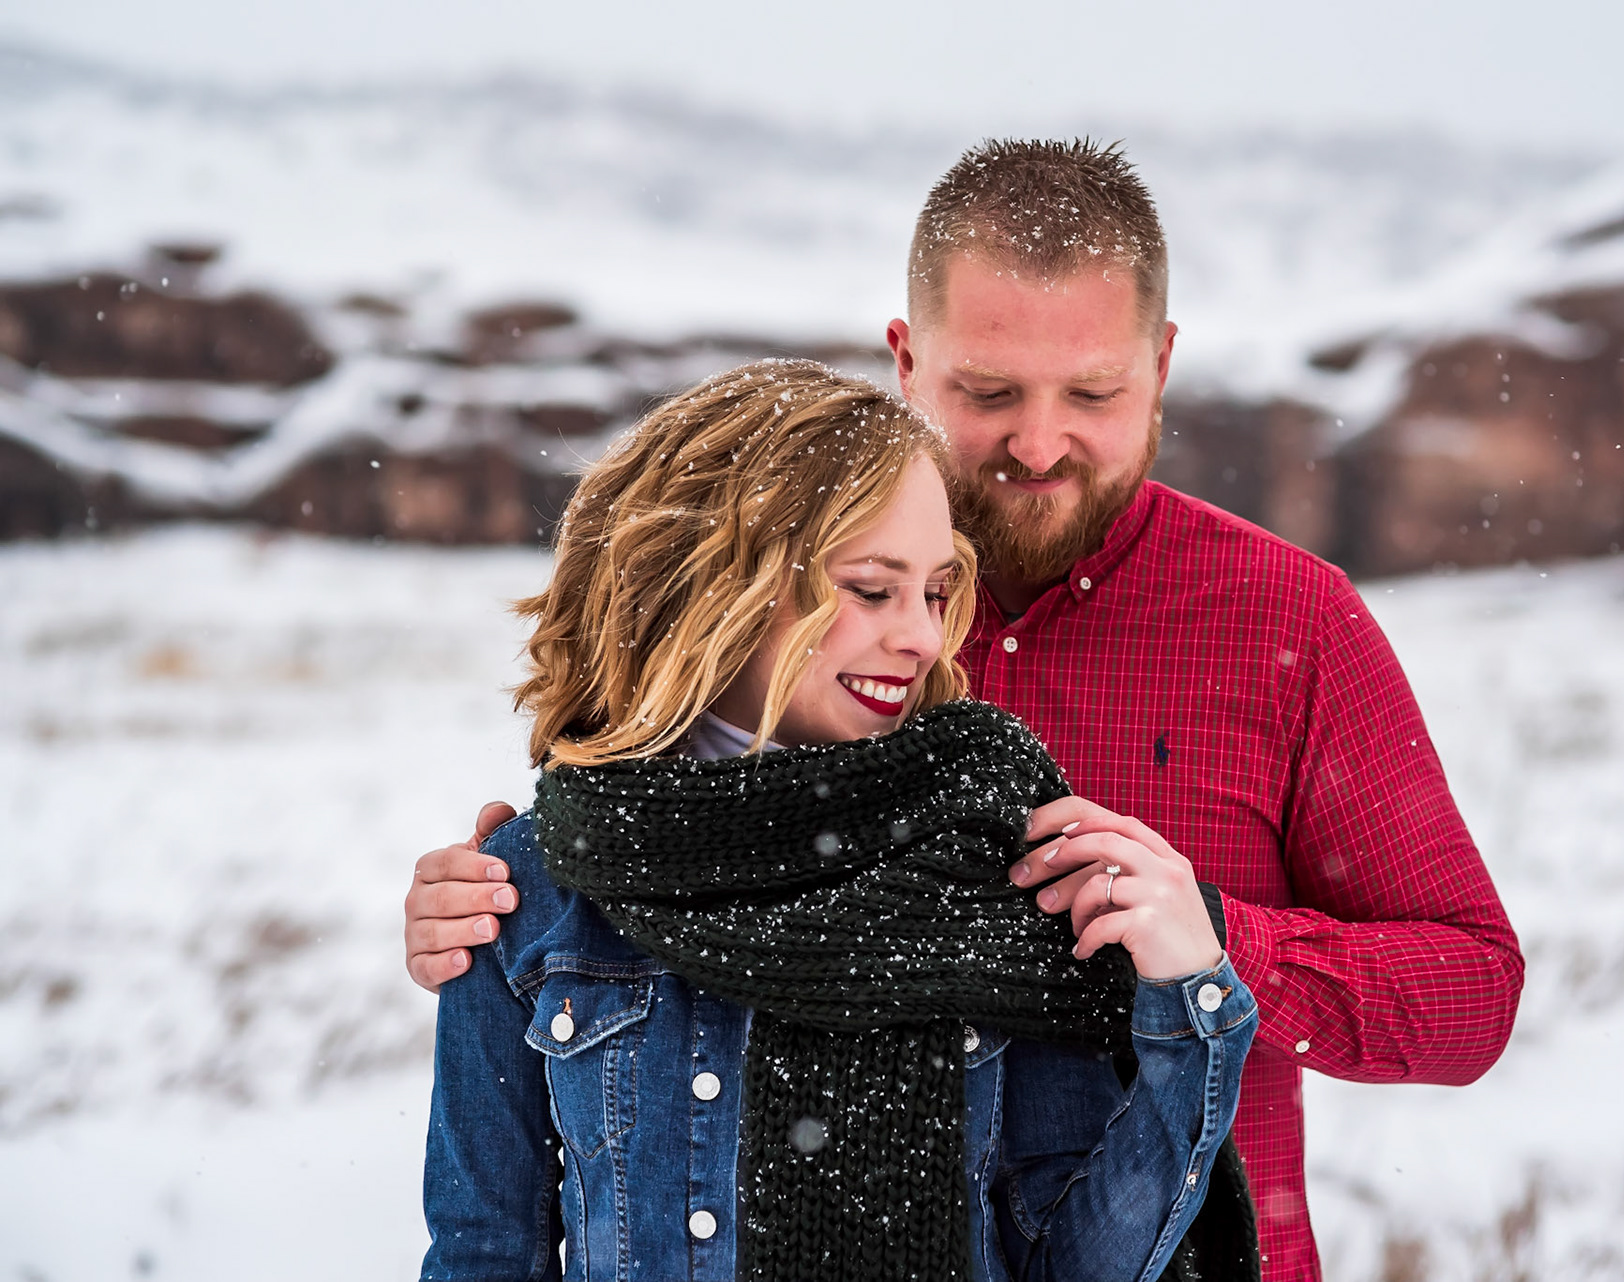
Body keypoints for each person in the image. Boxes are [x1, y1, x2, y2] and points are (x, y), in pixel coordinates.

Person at [407, 141, 1523, 1280]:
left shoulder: (1290, 624)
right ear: (906, 359)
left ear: (1165, 364)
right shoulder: (805, 618)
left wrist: (1208, 947)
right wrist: (520, 893)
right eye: (987, 394)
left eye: (1094, 392)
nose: (1039, 444)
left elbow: (1470, 994)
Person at [421, 359, 1260, 1282]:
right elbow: (484, 1252)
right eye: (871, 589)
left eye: (937, 591)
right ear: (712, 586)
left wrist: (1190, 1002)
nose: (926, 638)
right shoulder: (528, 889)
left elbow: (1076, 1266)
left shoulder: (999, 868)